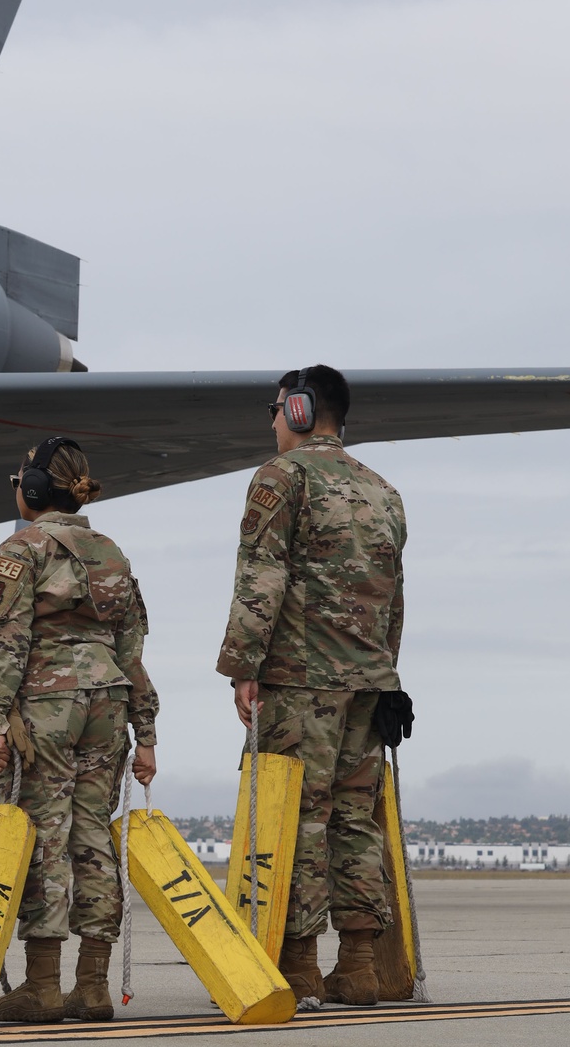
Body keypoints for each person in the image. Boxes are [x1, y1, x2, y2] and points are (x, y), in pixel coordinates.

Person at [216, 366, 406, 1007]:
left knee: (299, 817)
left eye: (274, 409)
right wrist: (386, 673)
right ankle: (359, 966)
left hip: (302, 681)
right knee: (357, 820)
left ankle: (299, 965)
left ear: (298, 409)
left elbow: (260, 578)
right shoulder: (383, 491)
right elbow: (393, 599)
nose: (271, 422)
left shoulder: (281, 478)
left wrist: (242, 665)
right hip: (369, 683)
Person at [0, 436, 159, 1025]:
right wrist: (147, 731)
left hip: (48, 705)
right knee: (94, 839)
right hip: (108, 703)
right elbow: (133, 648)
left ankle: (43, 987)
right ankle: (94, 987)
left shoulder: (21, 547)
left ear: (32, 491)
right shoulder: (111, 551)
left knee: (44, 836)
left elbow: (7, 641)